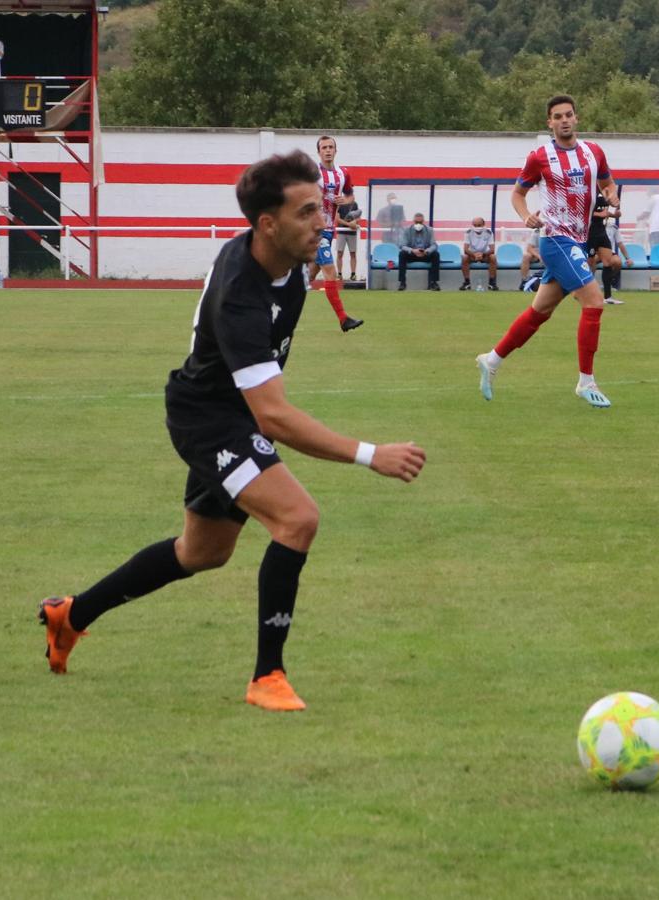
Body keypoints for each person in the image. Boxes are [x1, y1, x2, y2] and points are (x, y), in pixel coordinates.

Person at [35, 151, 426, 710]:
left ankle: (69, 616)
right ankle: (268, 677)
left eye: (323, 207)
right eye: (308, 211)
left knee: (203, 551)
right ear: (267, 224)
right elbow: (274, 416)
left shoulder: (290, 260)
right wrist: (371, 454)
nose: (325, 220)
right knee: (298, 519)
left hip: (232, 412)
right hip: (210, 418)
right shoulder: (242, 293)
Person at [474, 94, 617, 409]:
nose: (564, 120)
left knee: (539, 313)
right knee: (594, 301)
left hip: (579, 241)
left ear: (576, 118)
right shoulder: (540, 157)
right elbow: (518, 193)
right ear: (549, 122)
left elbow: (608, 184)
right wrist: (526, 216)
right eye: (557, 116)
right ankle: (586, 381)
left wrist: (612, 196)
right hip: (555, 240)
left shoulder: (594, 153)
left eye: (568, 115)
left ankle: (492, 360)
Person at [307, 136, 363, 332]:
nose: (328, 150)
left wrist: (344, 201)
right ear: (319, 152)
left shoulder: (343, 173)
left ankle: (277, 301)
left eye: (331, 147)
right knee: (330, 272)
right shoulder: (313, 173)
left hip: (329, 230)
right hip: (315, 231)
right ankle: (343, 318)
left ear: (335, 151)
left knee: (310, 274)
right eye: (324, 148)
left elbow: (350, 195)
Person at [588, 191, 623, 302]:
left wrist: (614, 215)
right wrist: (599, 214)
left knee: (608, 263)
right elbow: (582, 212)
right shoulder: (589, 192)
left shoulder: (606, 194)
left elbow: (604, 212)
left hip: (602, 233)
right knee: (590, 263)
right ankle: (585, 292)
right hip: (590, 232)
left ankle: (607, 297)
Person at [397, 212, 440, 291]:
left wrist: (427, 251)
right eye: (417, 222)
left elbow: (434, 245)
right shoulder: (406, 230)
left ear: (423, 222)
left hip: (425, 254)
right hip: (412, 254)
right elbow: (402, 245)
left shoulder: (429, 230)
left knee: (436, 254)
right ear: (413, 221)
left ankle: (434, 282)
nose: (418, 224)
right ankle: (402, 282)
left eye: (420, 222)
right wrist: (412, 250)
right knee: (402, 254)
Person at [460, 217, 498, 291]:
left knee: (493, 257)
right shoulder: (468, 232)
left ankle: (492, 283)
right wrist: (474, 255)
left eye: (479, 225)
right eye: (475, 225)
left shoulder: (488, 232)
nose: (477, 227)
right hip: (472, 255)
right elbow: (465, 249)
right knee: (464, 257)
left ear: (483, 224)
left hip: (485, 255)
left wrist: (482, 255)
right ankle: (467, 283)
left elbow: (492, 249)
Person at [333, 184, 362, 281]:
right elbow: (337, 219)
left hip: (352, 233)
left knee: (353, 253)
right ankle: (339, 274)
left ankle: (353, 274)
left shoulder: (355, 204)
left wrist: (355, 222)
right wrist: (349, 224)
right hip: (341, 231)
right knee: (340, 253)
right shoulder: (340, 204)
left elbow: (358, 217)